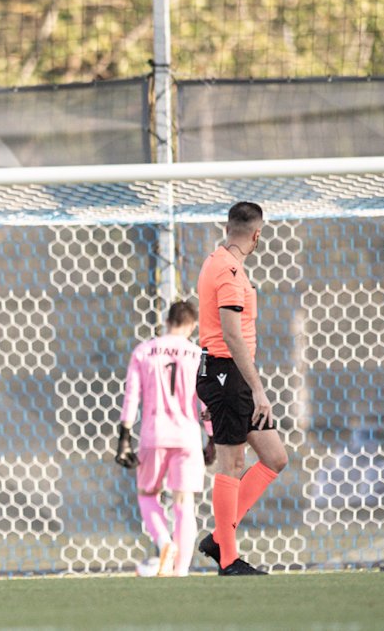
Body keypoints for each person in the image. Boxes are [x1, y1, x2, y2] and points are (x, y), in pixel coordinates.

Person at [194, 201, 289, 576]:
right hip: (227, 372)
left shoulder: (216, 261)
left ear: (227, 227)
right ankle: (229, 559)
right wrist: (258, 390)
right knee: (232, 464)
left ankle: (220, 538)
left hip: (226, 375)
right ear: (257, 234)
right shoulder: (230, 272)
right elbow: (231, 336)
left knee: (275, 457)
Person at [115, 301, 215, 577]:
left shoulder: (143, 351)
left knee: (147, 494)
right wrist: (211, 437)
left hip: (154, 434)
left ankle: (163, 542)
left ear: (167, 321)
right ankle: (180, 571)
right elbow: (205, 401)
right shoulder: (198, 355)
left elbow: (131, 397)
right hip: (187, 436)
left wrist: (124, 438)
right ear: (192, 326)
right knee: (184, 503)